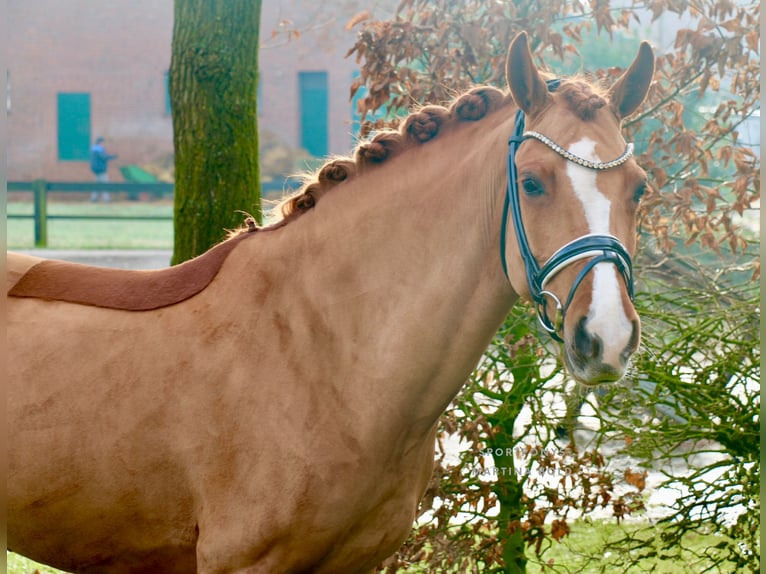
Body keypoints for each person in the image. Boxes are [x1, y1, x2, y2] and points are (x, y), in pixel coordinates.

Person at [90, 137, 117, 202]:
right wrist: (112, 156)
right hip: (101, 170)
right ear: (100, 142)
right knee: (105, 185)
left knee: (97, 185)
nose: (104, 144)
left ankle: (94, 199)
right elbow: (104, 157)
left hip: (96, 170)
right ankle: (106, 199)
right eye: (103, 142)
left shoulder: (93, 149)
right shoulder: (99, 149)